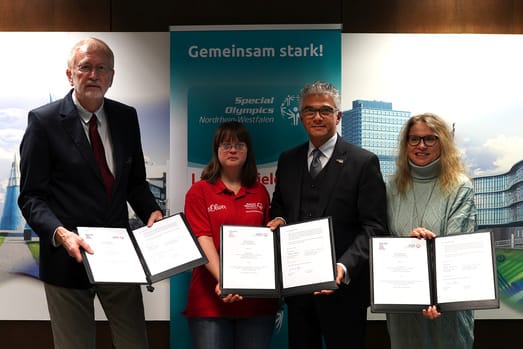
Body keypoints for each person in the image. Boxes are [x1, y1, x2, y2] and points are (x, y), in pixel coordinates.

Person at [18, 37, 163, 349]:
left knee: (135, 343)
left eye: (101, 68)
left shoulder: (126, 118)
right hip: (68, 258)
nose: (93, 74)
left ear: (112, 77)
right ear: (70, 74)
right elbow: (31, 196)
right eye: (85, 67)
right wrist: (60, 233)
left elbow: (135, 182)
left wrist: (151, 210)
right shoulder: (43, 122)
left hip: (120, 258)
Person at [267, 81, 389, 349]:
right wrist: (280, 220)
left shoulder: (363, 162)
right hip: (298, 290)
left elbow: (375, 227)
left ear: (338, 116)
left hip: (343, 290)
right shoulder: (288, 160)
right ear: (300, 117)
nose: (317, 117)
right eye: (309, 111)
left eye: (325, 110)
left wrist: (343, 267)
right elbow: (280, 207)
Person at [183, 121, 279, 349]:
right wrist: (225, 280)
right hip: (210, 299)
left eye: (239, 144)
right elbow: (202, 238)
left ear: (248, 151)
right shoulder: (199, 191)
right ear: (216, 150)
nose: (233, 149)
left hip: (256, 303)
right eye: (226, 144)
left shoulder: (260, 191)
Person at [386, 113, 476, 349]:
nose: (421, 146)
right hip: (403, 306)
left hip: (448, 308)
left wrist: (438, 298)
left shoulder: (460, 186)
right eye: (414, 139)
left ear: (443, 142)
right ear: (406, 145)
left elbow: (459, 246)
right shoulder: (391, 187)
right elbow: (382, 241)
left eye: (430, 139)